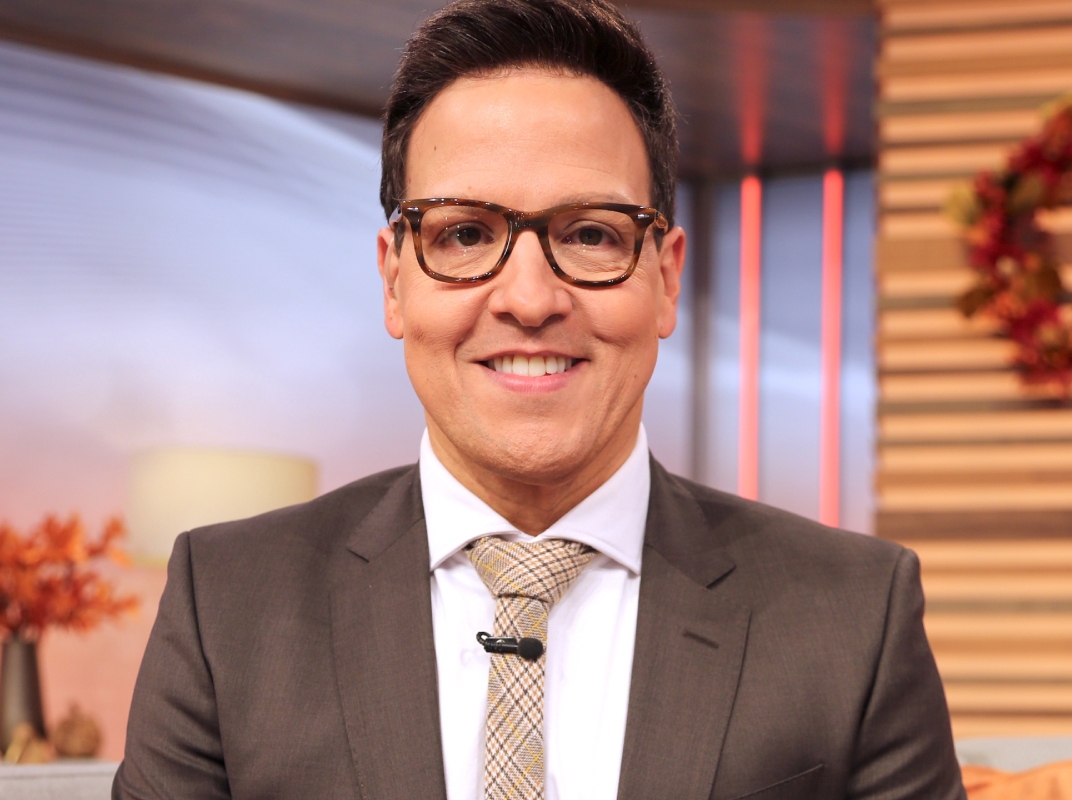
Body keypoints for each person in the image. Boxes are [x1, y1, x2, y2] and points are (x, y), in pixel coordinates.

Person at [113, 1, 966, 798]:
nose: (528, 298)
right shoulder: (228, 605)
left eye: (590, 233)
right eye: (465, 234)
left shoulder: (854, 615)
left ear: (666, 278)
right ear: (394, 280)